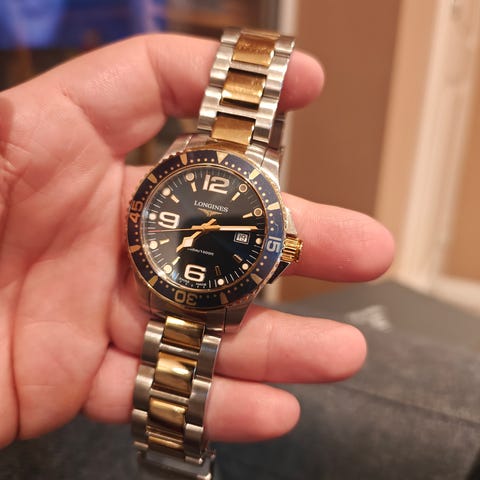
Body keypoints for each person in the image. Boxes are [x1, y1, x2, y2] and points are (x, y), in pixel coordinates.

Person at [0, 33, 394, 450]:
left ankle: (169, 446)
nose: (205, 227)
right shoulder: (181, 161)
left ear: (283, 247)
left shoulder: (248, 194)